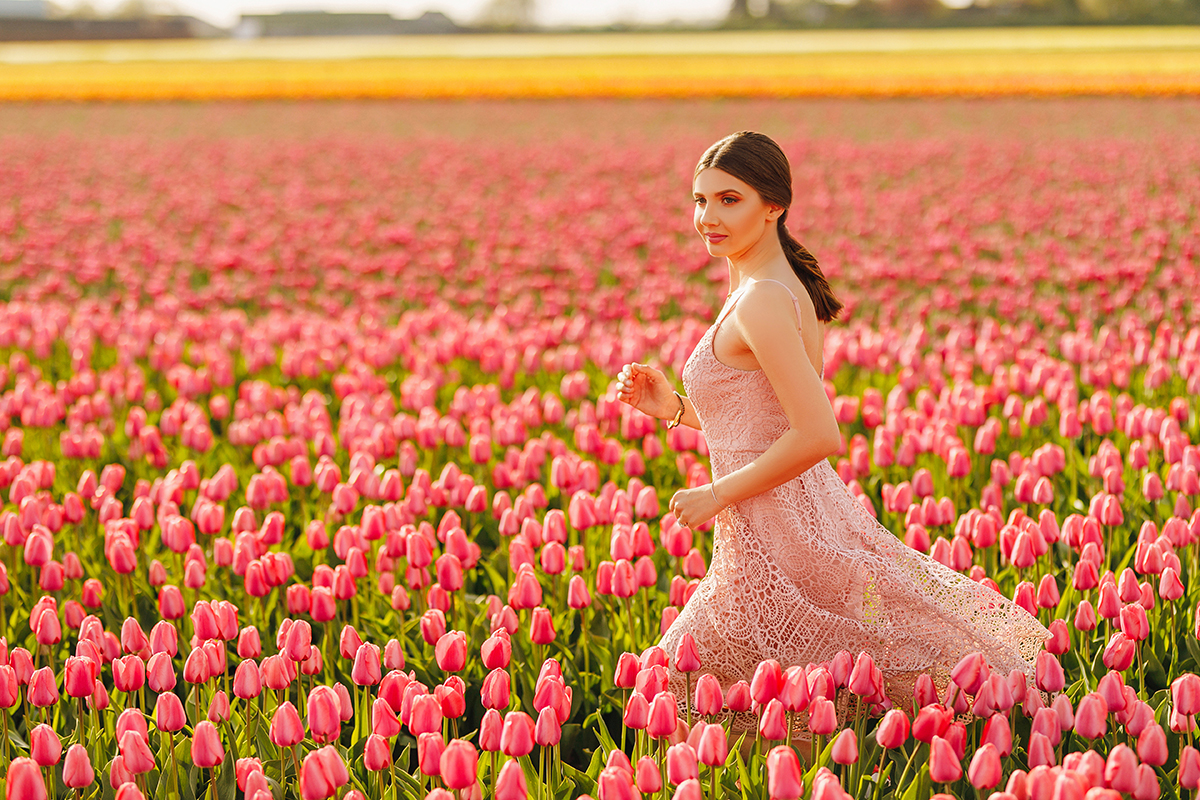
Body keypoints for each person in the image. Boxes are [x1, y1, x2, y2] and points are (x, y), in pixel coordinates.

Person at [614, 131, 1049, 729]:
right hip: (779, 520)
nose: (707, 217)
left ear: (774, 205)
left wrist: (717, 494)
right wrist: (677, 410)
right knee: (772, 704)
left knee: (687, 691)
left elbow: (819, 433)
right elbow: (763, 421)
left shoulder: (763, 298)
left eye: (728, 200)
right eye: (699, 200)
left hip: (777, 533)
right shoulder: (761, 283)